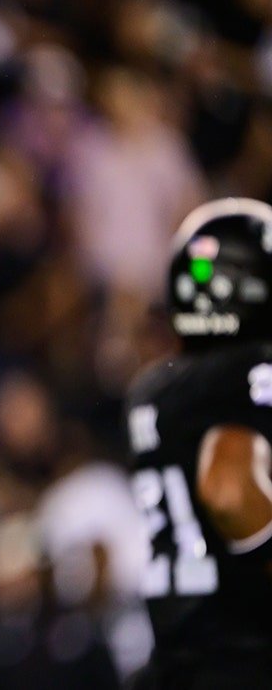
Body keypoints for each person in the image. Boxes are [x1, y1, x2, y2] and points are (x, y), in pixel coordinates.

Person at [125, 198, 272, 689]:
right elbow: (228, 490)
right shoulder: (254, 370)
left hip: (176, 660)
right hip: (246, 656)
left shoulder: (152, 389)